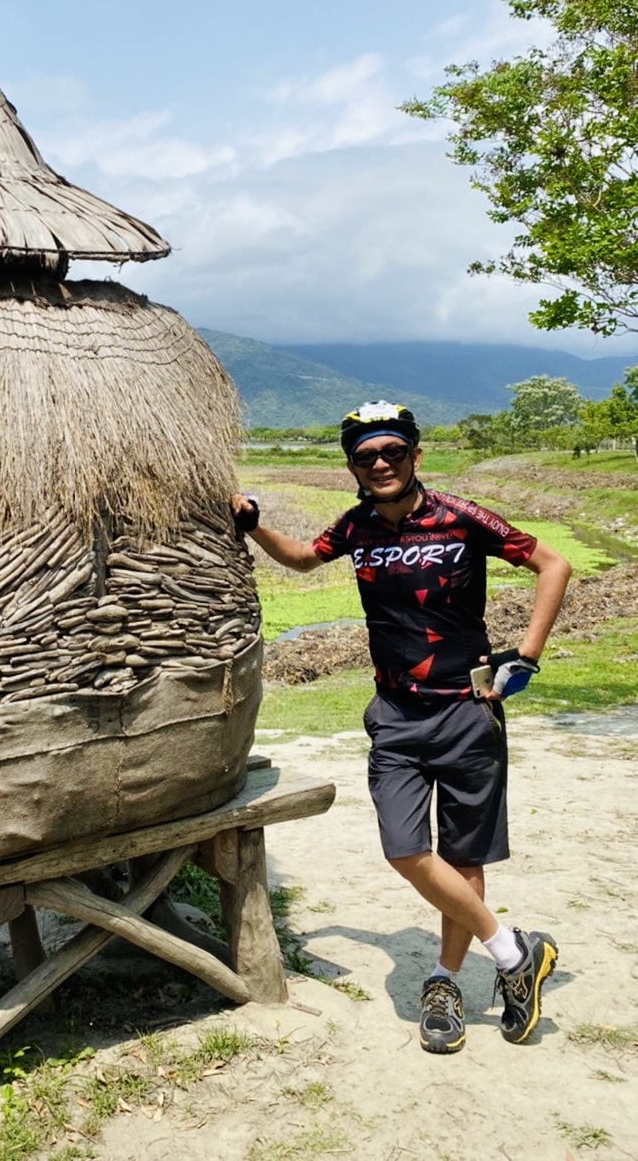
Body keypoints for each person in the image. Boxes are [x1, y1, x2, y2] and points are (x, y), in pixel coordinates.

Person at [231, 401, 572, 1055]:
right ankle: (514, 954)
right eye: (366, 456)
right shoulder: (357, 527)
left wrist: (526, 657)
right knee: (405, 849)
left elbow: (551, 565)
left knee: (463, 857)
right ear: (353, 466)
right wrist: (253, 526)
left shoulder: (461, 518)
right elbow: (304, 558)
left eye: (393, 452)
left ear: (416, 455)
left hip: (468, 712)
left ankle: (445, 980)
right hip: (394, 714)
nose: (381, 463)